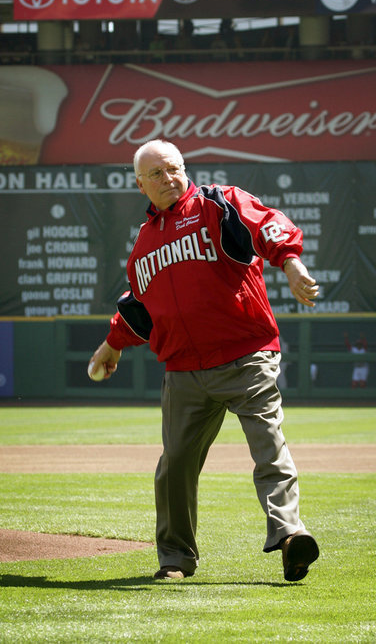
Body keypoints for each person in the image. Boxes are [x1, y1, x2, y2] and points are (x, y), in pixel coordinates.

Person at [88, 139, 321, 582]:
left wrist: (290, 263)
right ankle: (175, 558)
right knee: (175, 465)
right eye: (156, 174)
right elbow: (139, 306)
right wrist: (113, 343)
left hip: (245, 357)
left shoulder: (219, 203)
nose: (169, 178)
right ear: (140, 184)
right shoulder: (143, 244)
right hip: (183, 372)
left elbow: (267, 224)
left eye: (174, 169)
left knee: (268, 447)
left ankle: (291, 536)